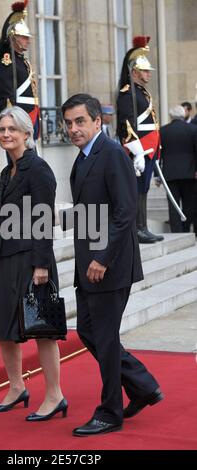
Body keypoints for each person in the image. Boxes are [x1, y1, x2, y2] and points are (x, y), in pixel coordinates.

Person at [62, 94, 163, 437]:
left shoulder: (112, 154)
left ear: (96, 122)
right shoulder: (85, 157)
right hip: (90, 264)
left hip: (109, 265)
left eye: (79, 121)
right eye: (68, 123)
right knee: (90, 332)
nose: (73, 128)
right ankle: (142, 385)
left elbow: (125, 213)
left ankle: (109, 412)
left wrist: (102, 258)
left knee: (103, 338)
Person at [0, 106, 67, 421]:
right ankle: (17, 387)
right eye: (1, 130)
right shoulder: (8, 171)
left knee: (42, 329)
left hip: (34, 259)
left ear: (26, 134)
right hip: (8, 257)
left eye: (12, 130)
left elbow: (45, 218)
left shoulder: (39, 169)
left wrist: (42, 264)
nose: (5, 134)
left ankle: (55, 395)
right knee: (4, 326)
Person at [116, 36, 164, 244]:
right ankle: (137, 228)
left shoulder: (141, 93)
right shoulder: (128, 94)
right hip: (139, 148)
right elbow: (126, 125)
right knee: (136, 189)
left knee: (143, 189)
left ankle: (143, 226)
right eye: (144, 71)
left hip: (149, 147)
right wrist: (136, 150)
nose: (148, 74)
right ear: (134, 72)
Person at [0, 1, 40, 140]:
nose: (28, 41)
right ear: (14, 37)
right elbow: (7, 97)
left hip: (31, 114)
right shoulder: (7, 62)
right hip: (19, 117)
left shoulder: (22, 60)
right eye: (24, 37)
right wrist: (12, 121)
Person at [160, 105, 197, 233]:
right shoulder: (193, 129)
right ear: (183, 115)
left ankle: (176, 231)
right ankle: (186, 229)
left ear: (171, 116)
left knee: (173, 205)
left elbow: (158, 154)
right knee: (189, 204)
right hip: (189, 173)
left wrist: (157, 174)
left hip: (169, 173)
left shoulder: (163, 131)